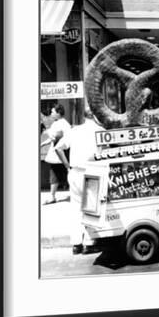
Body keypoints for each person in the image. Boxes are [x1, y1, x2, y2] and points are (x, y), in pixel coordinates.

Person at [55, 108, 105, 255]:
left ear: (84, 117)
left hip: (75, 171)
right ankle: (89, 243)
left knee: (76, 209)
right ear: (96, 116)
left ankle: (76, 244)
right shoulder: (100, 130)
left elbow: (58, 148)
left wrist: (67, 167)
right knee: (90, 208)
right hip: (92, 170)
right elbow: (103, 151)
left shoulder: (74, 131)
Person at [40, 104, 71, 204]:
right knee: (56, 174)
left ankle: (54, 196)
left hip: (61, 153)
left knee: (62, 173)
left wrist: (47, 134)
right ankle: (52, 196)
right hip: (57, 152)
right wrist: (44, 143)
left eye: (53, 112)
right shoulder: (57, 123)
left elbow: (57, 136)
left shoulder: (62, 124)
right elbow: (53, 138)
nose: (52, 114)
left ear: (58, 113)